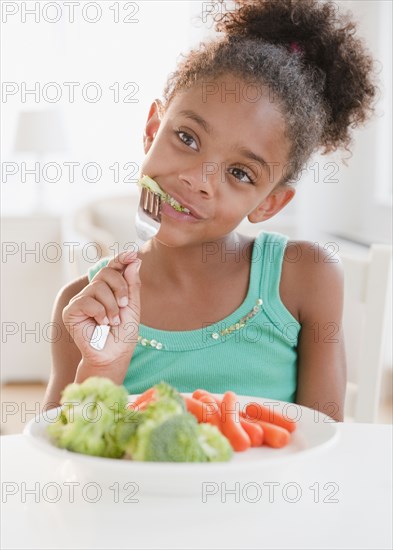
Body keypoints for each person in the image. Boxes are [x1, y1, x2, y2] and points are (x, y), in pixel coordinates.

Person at [43, 0, 377, 421]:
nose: (199, 179)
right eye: (187, 137)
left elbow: (325, 438)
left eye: (239, 172)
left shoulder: (305, 277)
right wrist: (102, 369)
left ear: (269, 203)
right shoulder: (82, 307)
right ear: (152, 130)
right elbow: (64, 466)